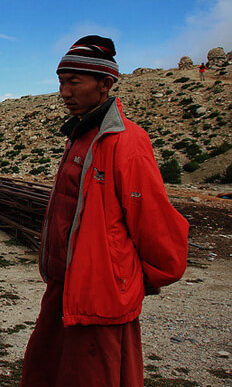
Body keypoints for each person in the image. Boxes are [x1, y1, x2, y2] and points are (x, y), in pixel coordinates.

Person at [20, 36, 189, 386]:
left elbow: (151, 216)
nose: (64, 92)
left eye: (74, 82)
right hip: (66, 284)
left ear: (105, 84)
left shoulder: (126, 140)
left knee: (93, 376)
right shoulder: (82, 134)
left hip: (100, 292)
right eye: (61, 82)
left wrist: (134, 278)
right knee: (51, 369)